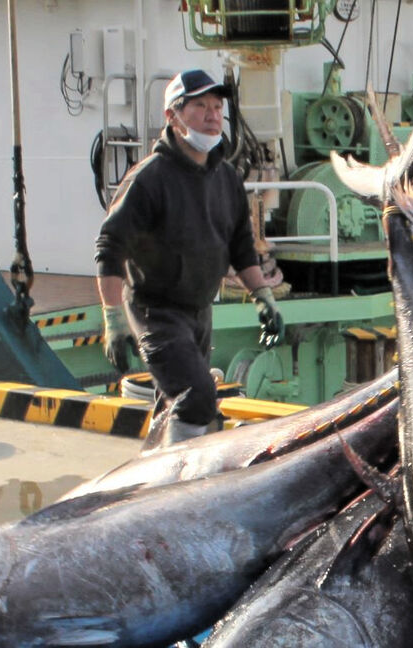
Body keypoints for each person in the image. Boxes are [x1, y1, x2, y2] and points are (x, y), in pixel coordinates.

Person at [95, 68, 284, 444]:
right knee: (197, 398)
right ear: (173, 116)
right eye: (200, 106)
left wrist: (263, 297)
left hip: (199, 311)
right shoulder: (150, 178)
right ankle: (180, 488)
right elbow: (110, 247)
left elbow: (241, 246)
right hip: (155, 312)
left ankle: (151, 472)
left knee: (176, 401)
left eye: (217, 106)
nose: (213, 115)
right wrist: (113, 318)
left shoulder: (226, 178)